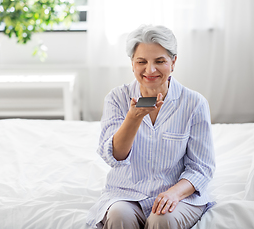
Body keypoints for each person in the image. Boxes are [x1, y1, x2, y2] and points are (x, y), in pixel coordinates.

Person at [86, 25, 216, 229]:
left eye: (160, 61)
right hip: (126, 193)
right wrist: (133, 118)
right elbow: (114, 157)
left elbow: (201, 168)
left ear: (173, 62)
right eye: (141, 62)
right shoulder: (116, 99)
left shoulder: (194, 103)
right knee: (119, 215)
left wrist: (173, 193)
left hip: (178, 195)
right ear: (132, 64)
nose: (150, 70)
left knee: (161, 219)